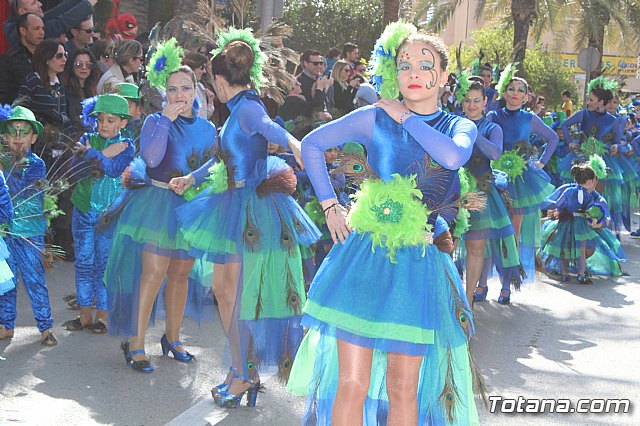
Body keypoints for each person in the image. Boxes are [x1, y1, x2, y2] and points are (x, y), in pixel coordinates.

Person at [287, 23, 480, 424]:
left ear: (444, 77)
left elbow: (452, 158)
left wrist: (405, 118)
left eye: (425, 66)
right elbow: (312, 144)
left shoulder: (460, 126)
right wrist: (329, 204)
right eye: (405, 63)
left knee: (402, 389)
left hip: (418, 266)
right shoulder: (375, 116)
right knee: (351, 384)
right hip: (363, 259)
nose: (413, 73)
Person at [173, 27, 320, 408]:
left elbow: (273, 128)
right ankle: (243, 367)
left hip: (251, 213)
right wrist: (191, 177)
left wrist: (294, 144)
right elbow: (222, 158)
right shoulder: (235, 109)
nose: (213, 88)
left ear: (220, 80)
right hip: (231, 204)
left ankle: (243, 374)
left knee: (236, 295)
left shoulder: (249, 107)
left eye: (212, 81)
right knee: (223, 290)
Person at [104, 39, 216, 373]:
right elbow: (152, 158)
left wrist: (193, 178)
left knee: (181, 273)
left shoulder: (208, 127)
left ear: (196, 89)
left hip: (189, 205)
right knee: (152, 274)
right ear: (163, 92)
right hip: (156, 203)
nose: (179, 94)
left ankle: (173, 337)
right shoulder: (154, 121)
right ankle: (136, 343)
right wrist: (166, 118)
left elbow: (212, 164)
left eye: (185, 87)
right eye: (172, 89)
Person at [63, 94, 135, 333]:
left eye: (110, 119)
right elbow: (76, 169)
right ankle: (84, 314)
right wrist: (103, 154)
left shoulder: (127, 145)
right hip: (83, 210)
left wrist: (95, 155)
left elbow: (114, 171)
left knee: (105, 264)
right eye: (100, 119)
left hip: (109, 216)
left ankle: (103, 315)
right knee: (83, 262)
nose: (103, 124)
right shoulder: (86, 138)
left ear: (123, 123)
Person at [487, 67, 559, 286]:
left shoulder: (530, 118)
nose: (515, 93)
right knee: (492, 229)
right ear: (504, 92)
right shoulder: (493, 115)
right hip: (495, 177)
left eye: (520, 90)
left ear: (526, 97)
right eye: (511, 89)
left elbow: (553, 138)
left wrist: (541, 162)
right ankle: (485, 278)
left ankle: (507, 281)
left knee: (513, 232)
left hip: (520, 180)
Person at [456, 76, 522, 306]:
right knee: (447, 246)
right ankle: (447, 300)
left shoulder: (492, 127)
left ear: (485, 102)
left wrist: (473, 133)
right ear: (461, 102)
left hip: (482, 194)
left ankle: (468, 303)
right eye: (467, 100)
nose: (472, 105)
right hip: (454, 193)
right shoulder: (452, 123)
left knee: (476, 248)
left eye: (476, 100)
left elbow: (495, 154)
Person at [0, 106, 56, 346]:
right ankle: (6, 324)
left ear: (33, 138)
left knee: (35, 281)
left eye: (24, 133)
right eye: (13, 133)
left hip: (30, 235)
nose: (18, 139)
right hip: (6, 232)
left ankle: (45, 326)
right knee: (6, 282)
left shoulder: (37, 164)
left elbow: (18, 187)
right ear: (5, 137)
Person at [560, 77, 629, 235]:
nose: (588, 102)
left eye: (591, 100)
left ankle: (593, 234)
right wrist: (570, 142)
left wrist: (616, 147)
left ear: (601, 102)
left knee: (595, 200)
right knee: (578, 196)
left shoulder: (613, 121)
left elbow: (618, 142)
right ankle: (573, 231)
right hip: (581, 159)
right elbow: (564, 124)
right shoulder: (583, 114)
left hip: (601, 162)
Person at [540, 163, 626, 283]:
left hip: (575, 225)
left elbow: (601, 214)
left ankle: (567, 273)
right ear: (590, 181)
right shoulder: (572, 190)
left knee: (568, 247)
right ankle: (579, 273)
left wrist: (596, 220)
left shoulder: (587, 195)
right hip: (574, 224)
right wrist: (555, 211)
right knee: (573, 247)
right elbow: (556, 203)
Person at [4, 0, 98, 47]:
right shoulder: (15, 32)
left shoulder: (20, 22)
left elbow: (57, 12)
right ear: (22, 11)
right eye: (33, 3)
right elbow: (60, 23)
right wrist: (89, 4)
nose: (40, 4)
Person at [0, 13, 44, 105]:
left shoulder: (47, 56)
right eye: (36, 28)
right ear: (23, 31)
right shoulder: (9, 58)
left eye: (43, 28)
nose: (41, 32)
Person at [62, 48, 101, 132]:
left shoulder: (92, 89)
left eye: (88, 65)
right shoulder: (65, 90)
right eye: (78, 64)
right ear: (71, 66)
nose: (84, 68)